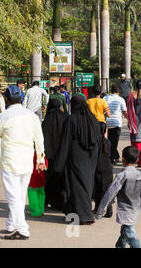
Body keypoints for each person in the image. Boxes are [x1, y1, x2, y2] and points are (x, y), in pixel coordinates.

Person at [0, 85, 46, 240]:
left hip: (10, 161)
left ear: (6, 99)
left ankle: (23, 229)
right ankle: (11, 224)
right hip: (27, 161)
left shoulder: (3, 117)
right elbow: (39, 139)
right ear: (21, 98)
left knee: (13, 196)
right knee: (18, 195)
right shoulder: (31, 116)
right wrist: (40, 159)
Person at [53, 94, 102, 225]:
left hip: (75, 156)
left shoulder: (71, 120)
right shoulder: (93, 119)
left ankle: (84, 215)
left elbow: (65, 141)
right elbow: (98, 139)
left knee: (75, 185)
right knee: (86, 183)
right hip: (91, 156)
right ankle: (75, 213)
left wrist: (59, 161)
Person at [95, 146, 141, 248]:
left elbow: (109, 194)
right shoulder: (140, 175)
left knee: (130, 235)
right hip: (135, 210)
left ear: (123, 159)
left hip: (125, 211)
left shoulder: (122, 175)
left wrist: (100, 211)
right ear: (137, 160)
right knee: (125, 232)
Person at [42, 98, 67, 210]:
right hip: (61, 155)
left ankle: (47, 200)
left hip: (48, 155)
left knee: (48, 178)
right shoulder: (65, 119)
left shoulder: (46, 120)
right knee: (60, 178)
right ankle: (60, 202)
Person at [93, 123, 114, 218]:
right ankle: (109, 209)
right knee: (107, 190)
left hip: (98, 168)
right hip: (108, 168)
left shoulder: (95, 141)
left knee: (98, 190)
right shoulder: (107, 142)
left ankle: (98, 208)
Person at [105, 84, 128, 164]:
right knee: (114, 142)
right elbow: (125, 111)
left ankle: (116, 157)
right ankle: (111, 159)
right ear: (118, 91)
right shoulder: (121, 99)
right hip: (116, 122)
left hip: (107, 122)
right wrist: (128, 119)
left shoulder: (105, 98)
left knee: (111, 141)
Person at [28, 153, 48, 218]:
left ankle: (35, 211)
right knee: (41, 193)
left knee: (32, 194)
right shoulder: (41, 151)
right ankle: (41, 210)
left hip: (32, 175)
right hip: (41, 174)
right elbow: (46, 165)